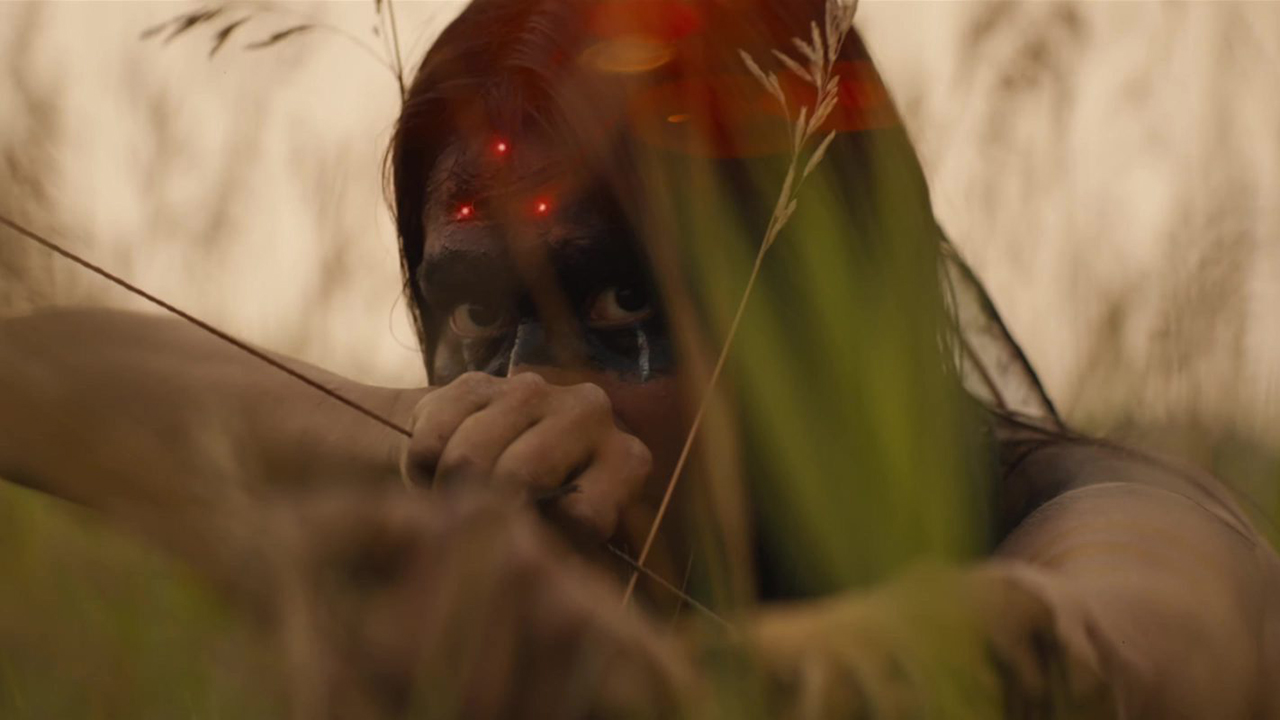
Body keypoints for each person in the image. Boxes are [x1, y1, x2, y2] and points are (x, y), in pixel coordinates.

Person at [1, 0, 1277, 717]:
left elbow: (1129, 631)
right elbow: (53, 378)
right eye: (477, 319)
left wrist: (711, 685)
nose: (534, 390)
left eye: (620, 303)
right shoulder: (479, 430)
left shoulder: (1079, 506)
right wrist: (422, 445)